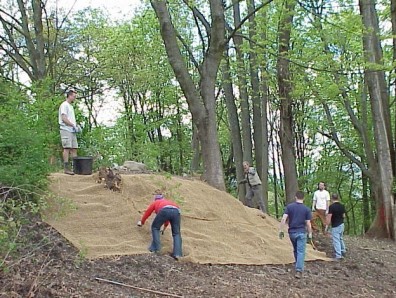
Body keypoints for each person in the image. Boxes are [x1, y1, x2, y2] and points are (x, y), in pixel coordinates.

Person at [137, 190, 182, 260]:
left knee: (155, 227)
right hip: (176, 211)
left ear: (155, 199)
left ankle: (156, 248)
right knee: (176, 233)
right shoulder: (168, 202)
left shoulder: (156, 202)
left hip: (164, 210)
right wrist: (164, 227)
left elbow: (148, 213)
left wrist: (142, 222)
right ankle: (178, 254)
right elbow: (168, 217)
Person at [279, 190, 312, 279]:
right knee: (301, 251)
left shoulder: (290, 207)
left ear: (295, 197)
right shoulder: (306, 209)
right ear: (303, 198)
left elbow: (283, 219)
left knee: (295, 250)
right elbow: (308, 223)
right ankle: (299, 270)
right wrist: (310, 233)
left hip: (292, 233)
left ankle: (298, 264)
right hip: (301, 232)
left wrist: (281, 230)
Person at [58, 89, 81, 175]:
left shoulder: (70, 106)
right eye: (74, 96)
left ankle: (75, 168)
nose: (75, 98)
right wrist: (72, 125)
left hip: (72, 130)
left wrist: (76, 126)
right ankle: (66, 168)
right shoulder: (64, 105)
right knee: (67, 148)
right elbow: (64, 118)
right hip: (66, 129)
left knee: (74, 148)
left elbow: (71, 118)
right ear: (70, 96)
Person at [326, 193, 346, 260]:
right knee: (340, 238)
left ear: (332, 198)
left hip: (335, 225)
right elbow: (344, 216)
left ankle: (338, 255)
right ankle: (343, 250)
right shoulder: (342, 206)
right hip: (341, 224)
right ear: (338, 198)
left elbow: (329, 217)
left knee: (336, 240)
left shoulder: (331, 207)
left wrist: (326, 226)